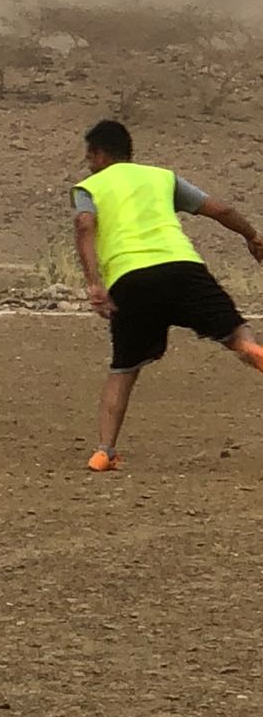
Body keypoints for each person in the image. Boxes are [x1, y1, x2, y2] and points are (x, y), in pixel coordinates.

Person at [73, 119, 263, 472]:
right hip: (183, 268)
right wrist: (252, 236)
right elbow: (220, 209)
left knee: (123, 368)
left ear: (99, 154)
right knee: (236, 332)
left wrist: (94, 283)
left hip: (130, 280)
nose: (88, 163)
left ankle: (104, 451)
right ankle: (252, 350)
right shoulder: (162, 178)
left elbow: (85, 225)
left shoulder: (89, 186)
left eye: (89, 156)